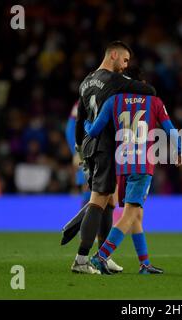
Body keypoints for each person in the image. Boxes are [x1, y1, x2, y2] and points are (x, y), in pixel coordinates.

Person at [69, 41, 156, 274]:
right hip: (106, 146)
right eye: (125, 60)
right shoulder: (114, 80)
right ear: (114, 55)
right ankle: (81, 259)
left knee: (109, 202)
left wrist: (79, 149)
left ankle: (103, 257)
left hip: (89, 146)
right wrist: (132, 87)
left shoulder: (86, 81)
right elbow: (150, 91)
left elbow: (80, 121)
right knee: (98, 199)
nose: (125, 66)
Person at [83, 74, 182, 275]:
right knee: (130, 213)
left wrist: (85, 124)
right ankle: (100, 256)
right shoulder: (154, 102)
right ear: (143, 85)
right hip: (142, 164)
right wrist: (179, 149)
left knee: (137, 214)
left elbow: (94, 131)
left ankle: (144, 264)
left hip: (122, 164)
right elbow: (170, 129)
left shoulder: (114, 101)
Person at [63, 101, 123, 273]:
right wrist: (77, 151)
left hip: (106, 152)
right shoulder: (89, 96)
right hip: (91, 152)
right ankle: (85, 239)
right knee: (94, 193)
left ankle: (103, 255)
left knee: (109, 198)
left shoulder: (111, 93)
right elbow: (71, 126)